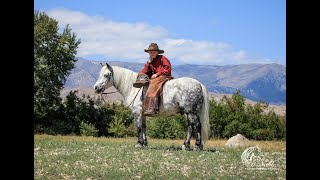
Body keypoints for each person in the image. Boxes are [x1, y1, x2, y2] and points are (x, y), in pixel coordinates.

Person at [134, 43, 173, 116]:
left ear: (157, 52)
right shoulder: (150, 61)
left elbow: (168, 68)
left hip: (164, 76)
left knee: (153, 83)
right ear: (148, 53)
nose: (152, 53)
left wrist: (157, 74)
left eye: (154, 51)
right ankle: (141, 83)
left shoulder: (163, 58)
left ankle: (152, 107)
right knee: (142, 75)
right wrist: (148, 64)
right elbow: (145, 71)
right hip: (156, 78)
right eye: (150, 52)